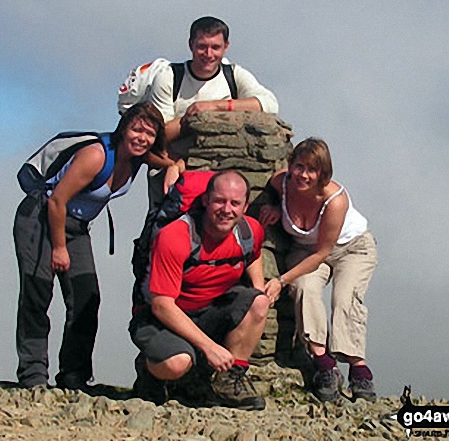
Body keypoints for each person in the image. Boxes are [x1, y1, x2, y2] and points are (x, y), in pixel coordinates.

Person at [13, 102, 165, 390]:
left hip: (77, 228)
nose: (141, 138)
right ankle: (33, 376)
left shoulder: (137, 157)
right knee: (38, 294)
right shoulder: (96, 155)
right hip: (41, 219)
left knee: (86, 298)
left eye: (149, 133)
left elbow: (165, 160)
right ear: (123, 129)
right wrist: (59, 248)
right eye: (136, 129)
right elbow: (57, 201)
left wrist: (176, 166)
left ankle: (74, 376)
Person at [129, 171, 272, 410]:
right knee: (177, 363)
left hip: (209, 311)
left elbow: (254, 254)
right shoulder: (176, 236)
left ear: (246, 206)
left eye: (235, 203)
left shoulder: (250, 231)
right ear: (205, 200)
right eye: (219, 201)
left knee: (259, 302)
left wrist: (259, 288)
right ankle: (149, 371)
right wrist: (210, 348)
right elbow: (161, 305)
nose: (227, 209)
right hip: (159, 318)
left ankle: (229, 381)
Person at [259, 138, 378, 402]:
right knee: (304, 289)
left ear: (323, 173)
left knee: (344, 298)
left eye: (312, 169)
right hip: (306, 249)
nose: (303, 174)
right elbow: (270, 189)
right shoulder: (282, 183)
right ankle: (324, 366)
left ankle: (359, 371)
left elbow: (323, 252)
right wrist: (276, 208)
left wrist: (280, 280)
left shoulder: (335, 200)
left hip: (351, 247)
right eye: (299, 166)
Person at [145, 16, 279, 207]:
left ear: (226, 47)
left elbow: (269, 104)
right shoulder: (170, 77)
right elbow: (160, 134)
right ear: (191, 45)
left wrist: (216, 107)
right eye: (202, 46)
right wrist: (195, 120)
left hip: (223, 171)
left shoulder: (233, 74)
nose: (208, 54)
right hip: (172, 170)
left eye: (215, 47)